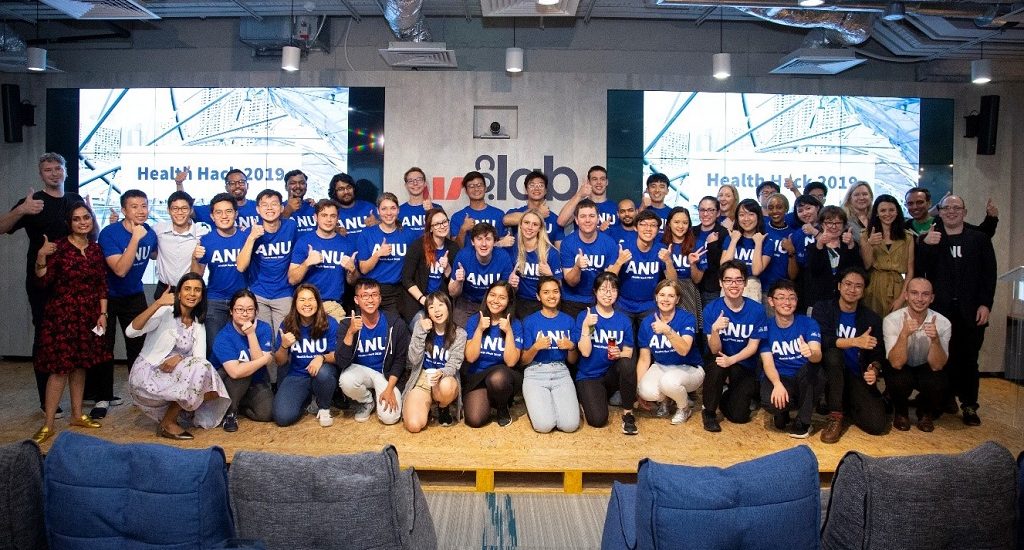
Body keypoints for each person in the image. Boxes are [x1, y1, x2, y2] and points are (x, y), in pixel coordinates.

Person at [0, 152, 83, 416]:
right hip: (42, 281)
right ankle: (46, 401)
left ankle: (80, 402)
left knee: (76, 338)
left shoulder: (75, 200)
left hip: (74, 281)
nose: (54, 173)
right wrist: (21, 210)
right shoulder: (32, 202)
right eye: (48, 170)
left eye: (58, 168)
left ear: (65, 171)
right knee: (45, 339)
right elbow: (2, 227)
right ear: (41, 174)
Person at [30, 202, 109, 444]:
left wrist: (102, 313)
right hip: (61, 316)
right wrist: (41, 257)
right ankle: (49, 423)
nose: (83, 222)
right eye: (77, 219)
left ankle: (77, 415)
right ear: (69, 223)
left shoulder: (95, 249)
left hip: (88, 316)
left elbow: (101, 285)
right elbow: (43, 282)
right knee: (59, 370)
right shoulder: (59, 248)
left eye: (86, 217)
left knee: (80, 366)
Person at [914, 195, 996, 427]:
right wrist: (927, 245)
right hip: (939, 312)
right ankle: (938, 402)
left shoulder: (979, 239)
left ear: (964, 212)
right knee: (938, 360)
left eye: (956, 208)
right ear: (939, 211)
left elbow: (988, 276)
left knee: (969, 360)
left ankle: (969, 405)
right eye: (946, 208)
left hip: (971, 312)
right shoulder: (931, 238)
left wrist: (985, 304)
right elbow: (921, 271)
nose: (951, 211)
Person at [126, 273, 231, 440]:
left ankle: (170, 420)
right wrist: (158, 304)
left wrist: (180, 358)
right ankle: (168, 422)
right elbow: (131, 331)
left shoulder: (198, 324)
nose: (192, 294)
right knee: (199, 373)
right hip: (149, 373)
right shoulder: (165, 312)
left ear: (202, 295)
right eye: (187, 289)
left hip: (175, 374)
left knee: (202, 369)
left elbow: (199, 360)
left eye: (197, 290)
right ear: (179, 293)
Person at [92, 189, 158, 419]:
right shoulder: (110, 233)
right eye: (134, 206)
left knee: (138, 348)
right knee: (103, 347)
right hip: (106, 298)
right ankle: (103, 397)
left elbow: (157, 255)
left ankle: (138, 394)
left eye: (144, 206)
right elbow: (120, 269)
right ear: (124, 210)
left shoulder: (150, 233)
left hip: (134, 296)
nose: (141, 211)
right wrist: (135, 239)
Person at [812, 267, 887, 444]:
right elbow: (823, 340)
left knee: (876, 425)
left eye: (858, 286)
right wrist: (854, 341)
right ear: (839, 286)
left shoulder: (871, 318)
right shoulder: (822, 309)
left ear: (863, 291)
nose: (852, 290)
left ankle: (844, 401)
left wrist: (874, 369)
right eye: (848, 284)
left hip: (855, 375)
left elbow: (878, 353)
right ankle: (835, 415)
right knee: (833, 354)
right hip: (827, 373)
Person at [701, 261, 769, 432]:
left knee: (739, 416)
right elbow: (714, 350)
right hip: (719, 357)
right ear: (721, 283)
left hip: (742, 360)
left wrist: (732, 360)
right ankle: (709, 412)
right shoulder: (711, 309)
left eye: (738, 280)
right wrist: (715, 330)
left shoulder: (757, 310)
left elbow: (753, 347)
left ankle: (724, 396)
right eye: (728, 280)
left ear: (745, 283)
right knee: (716, 367)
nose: (734, 285)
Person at [236, 189, 297, 368]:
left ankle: (284, 384)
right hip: (258, 294)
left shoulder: (291, 226)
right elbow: (241, 266)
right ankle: (267, 386)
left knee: (285, 340)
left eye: (274, 204)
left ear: (281, 207)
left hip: (284, 293)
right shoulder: (250, 232)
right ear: (257, 209)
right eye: (265, 205)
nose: (269, 209)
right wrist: (252, 238)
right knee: (263, 342)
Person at [336, 278, 410, 425]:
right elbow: (341, 362)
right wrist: (350, 333)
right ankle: (367, 401)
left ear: (380, 298)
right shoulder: (347, 324)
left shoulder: (395, 323)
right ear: (357, 300)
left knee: (390, 418)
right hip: (361, 372)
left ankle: (381, 395)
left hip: (385, 374)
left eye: (374, 295)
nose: (370, 300)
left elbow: (399, 360)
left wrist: (389, 389)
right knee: (346, 380)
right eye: (365, 295)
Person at [883, 278, 951, 432]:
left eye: (925, 294)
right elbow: (896, 362)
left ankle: (925, 412)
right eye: (914, 293)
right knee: (896, 375)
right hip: (902, 367)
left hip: (925, 367)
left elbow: (937, 365)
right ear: (906, 295)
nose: (919, 299)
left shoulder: (943, 323)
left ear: (932, 298)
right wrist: (903, 335)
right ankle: (901, 412)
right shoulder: (891, 320)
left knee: (940, 379)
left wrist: (935, 340)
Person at [573, 273, 637, 433]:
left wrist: (619, 354)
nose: (608, 294)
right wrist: (586, 328)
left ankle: (628, 414)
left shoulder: (623, 320)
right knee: (597, 420)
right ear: (595, 291)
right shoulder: (585, 316)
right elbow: (585, 352)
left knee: (627, 363)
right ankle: (586, 399)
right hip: (589, 376)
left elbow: (628, 352)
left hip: (611, 374)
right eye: (603, 290)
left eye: (613, 290)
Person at [759, 280, 823, 438]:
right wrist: (777, 384)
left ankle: (803, 422)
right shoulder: (765, 327)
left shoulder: (809, 323)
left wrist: (810, 353)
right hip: (781, 376)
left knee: (815, 372)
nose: (787, 302)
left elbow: (817, 355)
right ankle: (783, 411)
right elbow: (767, 362)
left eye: (792, 297)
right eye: (780, 297)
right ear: (771, 301)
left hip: (804, 377)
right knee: (770, 401)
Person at [636, 279, 704, 427]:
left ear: (677, 299)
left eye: (671, 296)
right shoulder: (647, 322)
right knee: (645, 390)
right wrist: (638, 388)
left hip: (690, 368)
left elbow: (684, 349)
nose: (665, 299)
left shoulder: (687, 318)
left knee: (669, 382)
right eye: (662, 295)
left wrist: (667, 330)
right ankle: (666, 400)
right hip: (662, 365)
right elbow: (643, 359)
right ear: (656, 297)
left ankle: (683, 408)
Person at [271, 284, 340, 428]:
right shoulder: (287, 324)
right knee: (282, 418)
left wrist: (321, 357)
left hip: (322, 374)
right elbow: (279, 361)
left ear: (318, 302)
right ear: (295, 303)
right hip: (297, 375)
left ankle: (324, 407)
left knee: (324, 373)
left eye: (311, 299)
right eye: (302, 300)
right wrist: (284, 346)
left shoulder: (330, 323)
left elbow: (338, 356)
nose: (307, 304)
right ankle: (306, 400)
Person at [519, 276, 579, 433]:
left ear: (560, 294)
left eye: (555, 292)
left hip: (561, 372)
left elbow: (572, 361)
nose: (551, 296)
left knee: (570, 426)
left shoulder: (569, 321)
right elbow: (523, 360)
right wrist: (535, 347)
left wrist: (571, 347)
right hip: (535, 373)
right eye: (546, 292)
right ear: (538, 296)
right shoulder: (529, 321)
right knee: (544, 426)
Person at [191, 193, 249, 352]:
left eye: (229, 211)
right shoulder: (206, 240)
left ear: (236, 214)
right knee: (215, 349)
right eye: (219, 212)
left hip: (241, 301)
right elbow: (197, 276)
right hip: (215, 301)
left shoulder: (247, 237)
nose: (224, 216)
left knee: (241, 350)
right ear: (212, 216)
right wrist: (194, 258)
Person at [211, 289, 275, 432]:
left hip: (255, 382)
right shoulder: (224, 336)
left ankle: (240, 405)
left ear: (256, 311)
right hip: (227, 383)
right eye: (239, 309)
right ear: (231, 311)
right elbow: (234, 372)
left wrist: (251, 334)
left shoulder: (264, 328)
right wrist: (266, 359)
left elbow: (257, 365)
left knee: (268, 413)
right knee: (242, 370)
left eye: (249, 309)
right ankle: (230, 412)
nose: (245, 314)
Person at [403, 292, 467, 432]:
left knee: (446, 386)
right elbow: (413, 360)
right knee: (413, 425)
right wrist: (420, 332)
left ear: (448, 307)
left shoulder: (460, 334)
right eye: (431, 307)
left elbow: (454, 364)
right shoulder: (421, 328)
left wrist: (442, 373)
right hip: (423, 378)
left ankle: (443, 407)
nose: (437, 310)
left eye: (440, 305)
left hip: (444, 378)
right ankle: (426, 408)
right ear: (428, 313)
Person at [462, 281, 523, 428]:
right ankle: (490, 400)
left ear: (509, 301)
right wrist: (480, 330)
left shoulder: (515, 324)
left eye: (502, 297)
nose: (496, 300)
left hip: (503, 376)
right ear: (486, 296)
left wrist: (508, 332)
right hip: (478, 376)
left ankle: (502, 408)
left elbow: (511, 362)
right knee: (474, 420)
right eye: (492, 295)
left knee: (497, 378)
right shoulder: (474, 320)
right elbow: (470, 357)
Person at [288, 199, 359, 321]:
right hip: (308, 304)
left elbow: (353, 282)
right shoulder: (304, 242)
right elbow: (292, 279)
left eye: (333, 216)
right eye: (324, 215)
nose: (328, 219)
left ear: (338, 218)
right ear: (315, 217)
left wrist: (352, 270)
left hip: (334, 305)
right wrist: (307, 263)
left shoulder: (347, 244)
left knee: (338, 339)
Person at [559, 199, 623, 319]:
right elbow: (571, 282)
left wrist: (619, 262)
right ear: (576, 220)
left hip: (599, 300)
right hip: (572, 300)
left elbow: (609, 279)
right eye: (583, 216)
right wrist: (577, 267)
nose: (587, 220)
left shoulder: (609, 243)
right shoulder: (567, 243)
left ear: (598, 219)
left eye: (592, 216)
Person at [358, 192, 417, 320]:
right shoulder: (367, 234)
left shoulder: (408, 234)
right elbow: (363, 269)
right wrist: (378, 254)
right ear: (378, 211)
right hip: (371, 289)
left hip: (397, 291)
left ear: (398, 210)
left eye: (393, 208)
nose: (389, 213)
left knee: (394, 327)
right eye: (384, 209)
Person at [618, 210, 676, 335]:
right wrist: (619, 262)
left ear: (658, 230)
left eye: (653, 225)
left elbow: (673, 282)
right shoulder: (624, 247)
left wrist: (668, 261)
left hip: (650, 305)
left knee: (650, 345)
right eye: (643, 224)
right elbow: (608, 277)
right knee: (625, 346)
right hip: (623, 305)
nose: (648, 228)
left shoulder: (661, 249)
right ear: (635, 227)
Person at [448, 222, 516, 327]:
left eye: (488, 239)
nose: (484, 244)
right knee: (459, 335)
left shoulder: (503, 257)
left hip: (494, 302)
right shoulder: (463, 256)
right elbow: (452, 293)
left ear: (495, 242)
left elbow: (508, 292)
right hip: (468, 303)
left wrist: (514, 285)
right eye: (479, 239)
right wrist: (459, 281)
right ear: (472, 242)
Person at [860, 194, 914, 317]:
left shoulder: (907, 237)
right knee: (874, 325)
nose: (887, 214)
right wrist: (870, 244)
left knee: (897, 326)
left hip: (899, 286)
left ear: (897, 212)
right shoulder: (866, 235)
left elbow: (910, 271)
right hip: (873, 286)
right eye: (883, 210)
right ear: (877, 213)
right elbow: (867, 265)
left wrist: (902, 298)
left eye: (891, 210)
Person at [800, 206, 861, 313]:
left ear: (844, 226)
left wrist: (851, 245)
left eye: (838, 223)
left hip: (844, 302)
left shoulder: (850, 245)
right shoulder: (813, 247)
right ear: (822, 225)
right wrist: (819, 245)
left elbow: (856, 271)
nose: (833, 226)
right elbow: (814, 271)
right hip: (818, 302)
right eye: (829, 222)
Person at [403, 207, 459, 323]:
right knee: (423, 329)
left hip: (442, 303)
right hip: (418, 302)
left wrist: (448, 268)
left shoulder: (453, 248)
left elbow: (455, 287)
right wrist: (423, 300)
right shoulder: (418, 246)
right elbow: (406, 279)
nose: (442, 226)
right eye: (437, 224)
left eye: (444, 222)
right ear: (431, 228)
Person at [153, 190, 208, 297]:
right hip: (164, 289)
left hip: (191, 290)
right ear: (168, 210)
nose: (179, 213)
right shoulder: (158, 229)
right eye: (175, 209)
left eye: (184, 208)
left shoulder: (202, 232)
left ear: (191, 210)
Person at [510, 210, 563, 318]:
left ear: (540, 229)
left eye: (535, 224)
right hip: (520, 303)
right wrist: (511, 282)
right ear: (520, 225)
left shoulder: (551, 253)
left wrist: (550, 275)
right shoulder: (513, 249)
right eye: (526, 223)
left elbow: (559, 285)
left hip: (544, 304)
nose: (530, 227)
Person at [720, 199, 772, 301]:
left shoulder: (766, 241)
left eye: (751, 214)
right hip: (729, 285)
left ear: (758, 217)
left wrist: (758, 244)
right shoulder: (730, 238)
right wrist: (734, 240)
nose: (746, 219)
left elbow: (756, 271)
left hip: (752, 286)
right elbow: (723, 266)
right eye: (742, 215)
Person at [450, 171, 513, 248]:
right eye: (471, 186)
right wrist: (463, 230)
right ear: (466, 191)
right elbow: (455, 249)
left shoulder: (498, 214)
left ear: (485, 188)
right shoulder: (457, 217)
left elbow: (505, 241)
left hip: (494, 259)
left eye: (479, 185)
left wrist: (500, 243)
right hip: (468, 260)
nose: (476, 189)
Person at [662, 207, 704, 324]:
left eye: (685, 223)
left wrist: (692, 264)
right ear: (669, 223)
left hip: (690, 290)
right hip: (668, 289)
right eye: (676, 222)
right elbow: (671, 280)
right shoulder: (662, 245)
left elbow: (697, 279)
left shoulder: (698, 244)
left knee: (689, 327)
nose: (680, 226)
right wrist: (668, 260)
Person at [503, 171, 563, 247]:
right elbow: (506, 220)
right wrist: (538, 213)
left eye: (541, 185)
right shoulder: (516, 212)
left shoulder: (554, 218)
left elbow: (559, 249)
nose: (536, 188)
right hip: (519, 258)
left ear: (545, 191)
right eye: (532, 185)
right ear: (526, 190)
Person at [188, 168, 261, 231]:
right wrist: (179, 184)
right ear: (226, 187)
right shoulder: (216, 208)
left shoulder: (259, 207)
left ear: (247, 185)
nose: (237, 186)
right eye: (232, 183)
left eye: (241, 182)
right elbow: (186, 210)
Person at [691, 196, 730, 307]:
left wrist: (711, 245)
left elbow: (719, 265)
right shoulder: (692, 232)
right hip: (692, 287)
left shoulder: (723, 233)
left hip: (712, 289)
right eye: (702, 210)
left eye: (710, 210)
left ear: (718, 213)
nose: (705, 214)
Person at [556, 165, 619, 231]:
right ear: (588, 182)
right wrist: (579, 195)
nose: (599, 182)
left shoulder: (615, 207)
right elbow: (561, 222)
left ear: (607, 182)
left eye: (602, 179)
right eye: (595, 179)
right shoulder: (581, 206)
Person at [330, 172, 377, 238]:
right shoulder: (330, 212)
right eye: (341, 189)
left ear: (354, 188)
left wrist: (377, 224)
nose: (346, 192)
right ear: (334, 192)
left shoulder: (368, 207)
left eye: (349, 187)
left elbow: (389, 228)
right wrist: (332, 231)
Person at [398, 167, 437, 234]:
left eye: (419, 180)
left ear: (425, 184)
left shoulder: (437, 209)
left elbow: (445, 238)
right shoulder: (398, 211)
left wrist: (432, 213)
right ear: (406, 185)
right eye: (410, 181)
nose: (415, 183)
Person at [281, 169, 318, 237]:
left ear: (306, 186)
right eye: (293, 183)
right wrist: (288, 210)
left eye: (302, 183)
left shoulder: (314, 207)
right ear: (286, 187)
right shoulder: (278, 208)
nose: (298, 186)